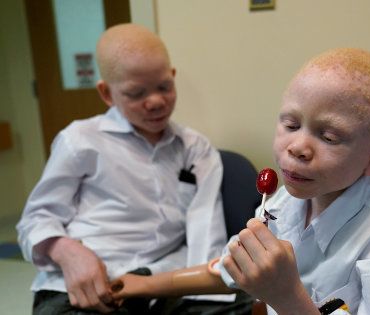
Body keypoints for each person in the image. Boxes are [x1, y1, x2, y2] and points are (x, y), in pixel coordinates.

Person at [110, 47, 370, 314]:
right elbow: (231, 271)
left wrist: (287, 297)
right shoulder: (282, 205)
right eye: (290, 125)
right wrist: (145, 285)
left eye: (330, 137)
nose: (298, 147)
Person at [16, 23, 229, 314]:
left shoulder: (195, 148)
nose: (155, 101)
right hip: (91, 282)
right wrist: (67, 252)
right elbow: (35, 220)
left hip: (165, 281)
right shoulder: (79, 141)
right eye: (135, 93)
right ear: (106, 93)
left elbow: (206, 234)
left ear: (173, 77)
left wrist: (206, 289)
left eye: (164, 87)